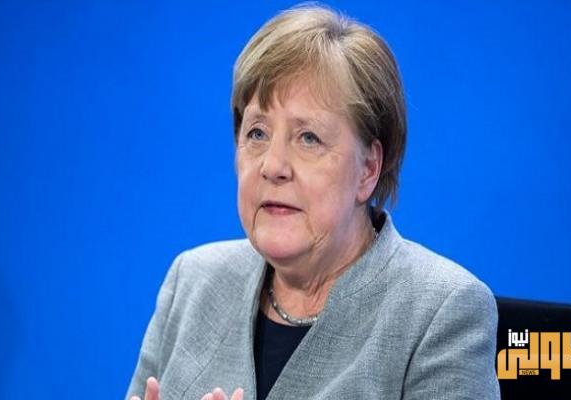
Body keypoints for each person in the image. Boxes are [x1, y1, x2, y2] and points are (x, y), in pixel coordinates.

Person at [126, 5, 500, 400]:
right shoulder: (192, 280)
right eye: (257, 133)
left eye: (308, 138)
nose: (273, 166)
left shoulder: (442, 312)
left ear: (368, 169)